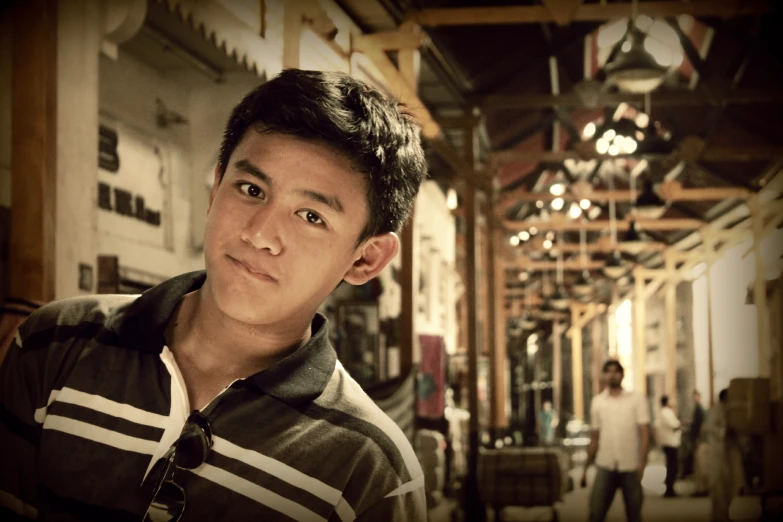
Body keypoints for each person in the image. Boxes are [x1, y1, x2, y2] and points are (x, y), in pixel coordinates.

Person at [0, 69, 428, 521]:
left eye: (310, 215)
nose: (260, 234)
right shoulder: (56, 344)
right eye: (251, 189)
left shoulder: (370, 473)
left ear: (366, 258)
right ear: (216, 187)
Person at [581, 360, 650, 522]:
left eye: (616, 371)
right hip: (605, 465)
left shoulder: (636, 399)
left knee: (634, 514)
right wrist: (585, 469)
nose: (612, 375)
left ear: (622, 375)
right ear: (604, 375)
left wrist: (642, 463)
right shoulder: (597, 402)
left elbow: (644, 433)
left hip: (630, 466)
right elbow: (595, 437)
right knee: (595, 513)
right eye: (608, 371)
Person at [704, 388, 745, 522]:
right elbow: (710, 427)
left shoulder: (732, 411)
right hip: (717, 455)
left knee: (730, 485)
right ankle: (718, 516)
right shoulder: (716, 410)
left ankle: (725, 514)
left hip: (729, 455)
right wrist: (724, 431)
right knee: (718, 487)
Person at [655, 395, 681, 497]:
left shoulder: (665, 412)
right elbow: (675, 425)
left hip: (671, 442)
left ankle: (670, 488)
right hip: (670, 443)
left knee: (672, 466)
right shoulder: (665, 412)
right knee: (672, 467)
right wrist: (679, 424)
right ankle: (669, 490)